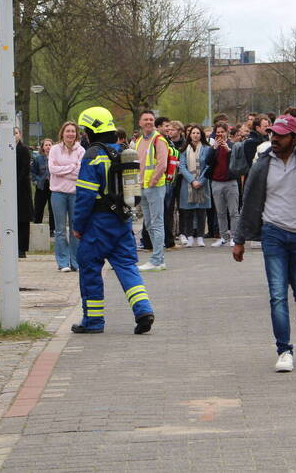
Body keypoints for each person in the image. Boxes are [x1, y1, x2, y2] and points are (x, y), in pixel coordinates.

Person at [232, 115, 296, 372]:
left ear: (295, 138)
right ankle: (284, 350)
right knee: (277, 295)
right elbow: (250, 200)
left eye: (280, 135)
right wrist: (239, 239)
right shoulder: (263, 164)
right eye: (272, 135)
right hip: (273, 234)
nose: (274, 139)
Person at [70, 106, 154, 335]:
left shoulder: (93, 155)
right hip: (122, 220)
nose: (84, 133)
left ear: (91, 129)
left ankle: (93, 322)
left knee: (89, 269)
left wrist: (78, 226)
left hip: (98, 224)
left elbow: (85, 196)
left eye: (85, 130)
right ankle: (143, 309)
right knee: (127, 266)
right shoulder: (123, 151)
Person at [134, 110, 169, 271]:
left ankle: (156, 259)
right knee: (148, 223)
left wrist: (153, 181)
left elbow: (162, 164)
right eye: (145, 119)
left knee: (156, 223)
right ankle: (158, 258)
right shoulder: (140, 140)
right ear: (140, 123)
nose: (148, 121)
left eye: (151, 119)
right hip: (143, 187)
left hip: (154, 187)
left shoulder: (159, 140)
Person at [49, 122, 84, 272]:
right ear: (62, 133)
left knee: (75, 229)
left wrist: (62, 171)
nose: (70, 134)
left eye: (73, 131)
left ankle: (75, 262)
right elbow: (52, 169)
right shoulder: (55, 149)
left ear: (76, 134)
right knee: (60, 229)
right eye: (67, 131)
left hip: (75, 194)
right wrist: (71, 167)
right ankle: (63, 262)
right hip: (58, 193)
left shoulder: (81, 150)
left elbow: (81, 172)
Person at [206, 123, 240, 247]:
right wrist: (213, 148)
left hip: (230, 182)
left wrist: (228, 150)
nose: (220, 134)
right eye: (218, 132)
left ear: (226, 132)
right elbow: (207, 162)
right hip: (216, 182)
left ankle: (235, 237)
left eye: (222, 132)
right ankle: (223, 237)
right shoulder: (213, 147)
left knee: (233, 212)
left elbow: (237, 161)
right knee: (220, 212)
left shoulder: (233, 146)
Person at [177, 125, 211, 246]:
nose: (195, 135)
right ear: (189, 135)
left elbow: (208, 165)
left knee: (201, 211)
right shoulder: (184, 149)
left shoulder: (207, 148)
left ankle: (200, 237)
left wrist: (200, 181)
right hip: (188, 184)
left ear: (201, 135)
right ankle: (190, 236)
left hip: (203, 183)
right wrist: (192, 180)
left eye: (198, 133)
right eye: (193, 133)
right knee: (188, 211)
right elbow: (182, 166)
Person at [14, 128, 32, 259]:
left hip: (21, 189)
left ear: (20, 135)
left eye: (15, 133)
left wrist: (16, 184)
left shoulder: (23, 150)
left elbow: (25, 169)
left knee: (22, 219)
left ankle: (22, 248)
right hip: (8, 189)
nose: (13, 136)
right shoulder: (4, 149)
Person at [31, 138, 55, 233]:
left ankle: (52, 229)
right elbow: (33, 172)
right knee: (38, 207)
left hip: (53, 186)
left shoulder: (55, 158)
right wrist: (36, 181)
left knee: (52, 208)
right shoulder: (38, 159)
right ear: (42, 147)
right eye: (46, 145)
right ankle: (37, 228)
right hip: (41, 186)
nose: (48, 147)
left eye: (50, 145)